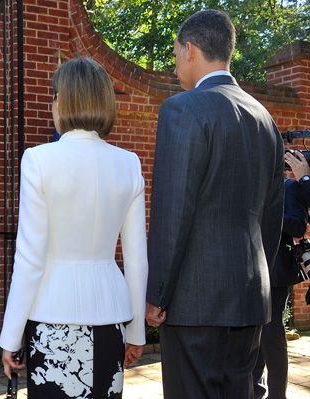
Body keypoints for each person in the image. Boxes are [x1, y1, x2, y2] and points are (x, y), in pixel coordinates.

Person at [146, 10, 284, 399]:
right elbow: (271, 221)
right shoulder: (265, 118)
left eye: (175, 56)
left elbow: (173, 212)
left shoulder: (182, 109)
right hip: (250, 299)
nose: (175, 67)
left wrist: (158, 293)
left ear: (190, 50)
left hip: (195, 304)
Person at [0, 57, 148, 398]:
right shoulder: (129, 163)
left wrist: (10, 337)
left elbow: (30, 258)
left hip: (53, 315)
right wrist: (137, 330)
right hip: (111, 317)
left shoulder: (38, 160)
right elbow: (137, 259)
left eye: (54, 96)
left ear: (63, 101)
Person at [253, 151, 309, 399]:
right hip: (247, 269)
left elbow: (298, 226)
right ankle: (254, 390)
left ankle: (278, 395)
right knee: (251, 334)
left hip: (276, 272)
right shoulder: (246, 187)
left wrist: (268, 213)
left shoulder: (290, 187)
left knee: (271, 335)